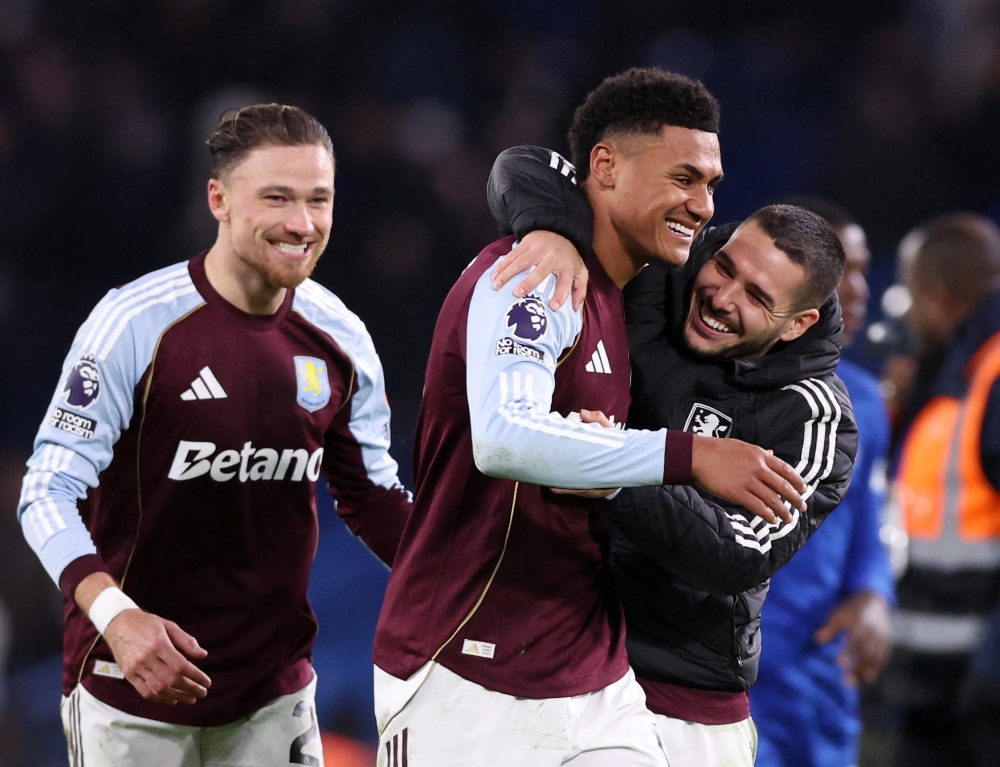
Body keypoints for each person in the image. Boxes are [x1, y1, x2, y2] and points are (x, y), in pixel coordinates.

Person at [372, 68, 808, 767]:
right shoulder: (532, 281)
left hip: (593, 676)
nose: (702, 206)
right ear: (603, 167)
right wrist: (687, 454)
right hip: (466, 666)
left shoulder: (634, 293)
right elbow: (506, 436)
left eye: (712, 185)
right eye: (684, 178)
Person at [16, 104, 412, 766]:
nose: (303, 223)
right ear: (219, 199)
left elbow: (374, 499)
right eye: (278, 198)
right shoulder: (135, 324)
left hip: (272, 696)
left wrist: (482, 580)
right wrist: (116, 615)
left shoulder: (341, 337)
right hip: (131, 689)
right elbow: (47, 490)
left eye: (320, 199)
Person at [486, 148, 857, 766]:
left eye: (758, 298)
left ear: (798, 324)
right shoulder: (663, 273)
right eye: (726, 265)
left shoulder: (815, 416)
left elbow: (741, 553)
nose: (720, 295)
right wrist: (548, 229)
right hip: (548, 656)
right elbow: (522, 164)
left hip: (679, 695)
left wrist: (612, 476)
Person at [750, 198, 894, 767]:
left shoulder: (867, 401)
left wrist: (874, 594)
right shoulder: (720, 386)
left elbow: (870, 522)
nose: (858, 290)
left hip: (821, 681)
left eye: (861, 270)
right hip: (733, 675)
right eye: (840, 272)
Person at [883, 212, 1000, 767]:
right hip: (941, 687)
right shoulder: (963, 368)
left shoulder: (991, 370)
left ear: (935, 293)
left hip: (977, 688)